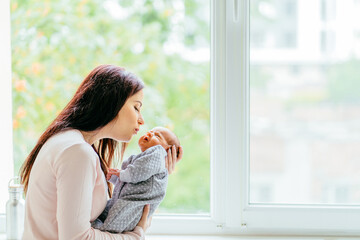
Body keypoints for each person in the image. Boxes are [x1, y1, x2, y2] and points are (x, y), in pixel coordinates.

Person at [19, 65, 183, 240]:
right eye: (136, 107)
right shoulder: (77, 152)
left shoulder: (68, 142)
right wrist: (136, 236)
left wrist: (154, 175)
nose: (141, 120)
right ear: (113, 102)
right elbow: (78, 238)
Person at [92, 127, 180, 233]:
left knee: (115, 218)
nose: (149, 134)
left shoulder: (158, 153)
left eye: (157, 136)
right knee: (105, 210)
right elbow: (133, 181)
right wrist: (117, 178)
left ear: (167, 150)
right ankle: (94, 224)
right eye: (150, 132)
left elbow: (138, 172)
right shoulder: (143, 159)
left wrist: (121, 174)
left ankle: (100, 230)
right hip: (126, 200)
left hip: (134, 204)